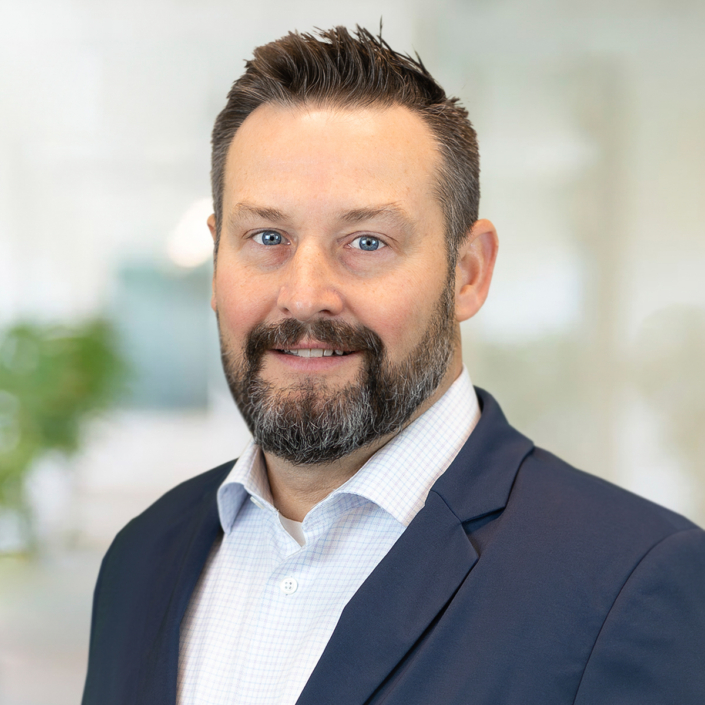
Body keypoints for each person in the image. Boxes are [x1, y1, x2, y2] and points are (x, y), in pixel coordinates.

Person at [81, 26, 705, 705]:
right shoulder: (142, 557)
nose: (302, 295)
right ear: (215, 260)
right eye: (267, 237)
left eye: (367, 241)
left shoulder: (631, 581)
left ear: (467, 273)